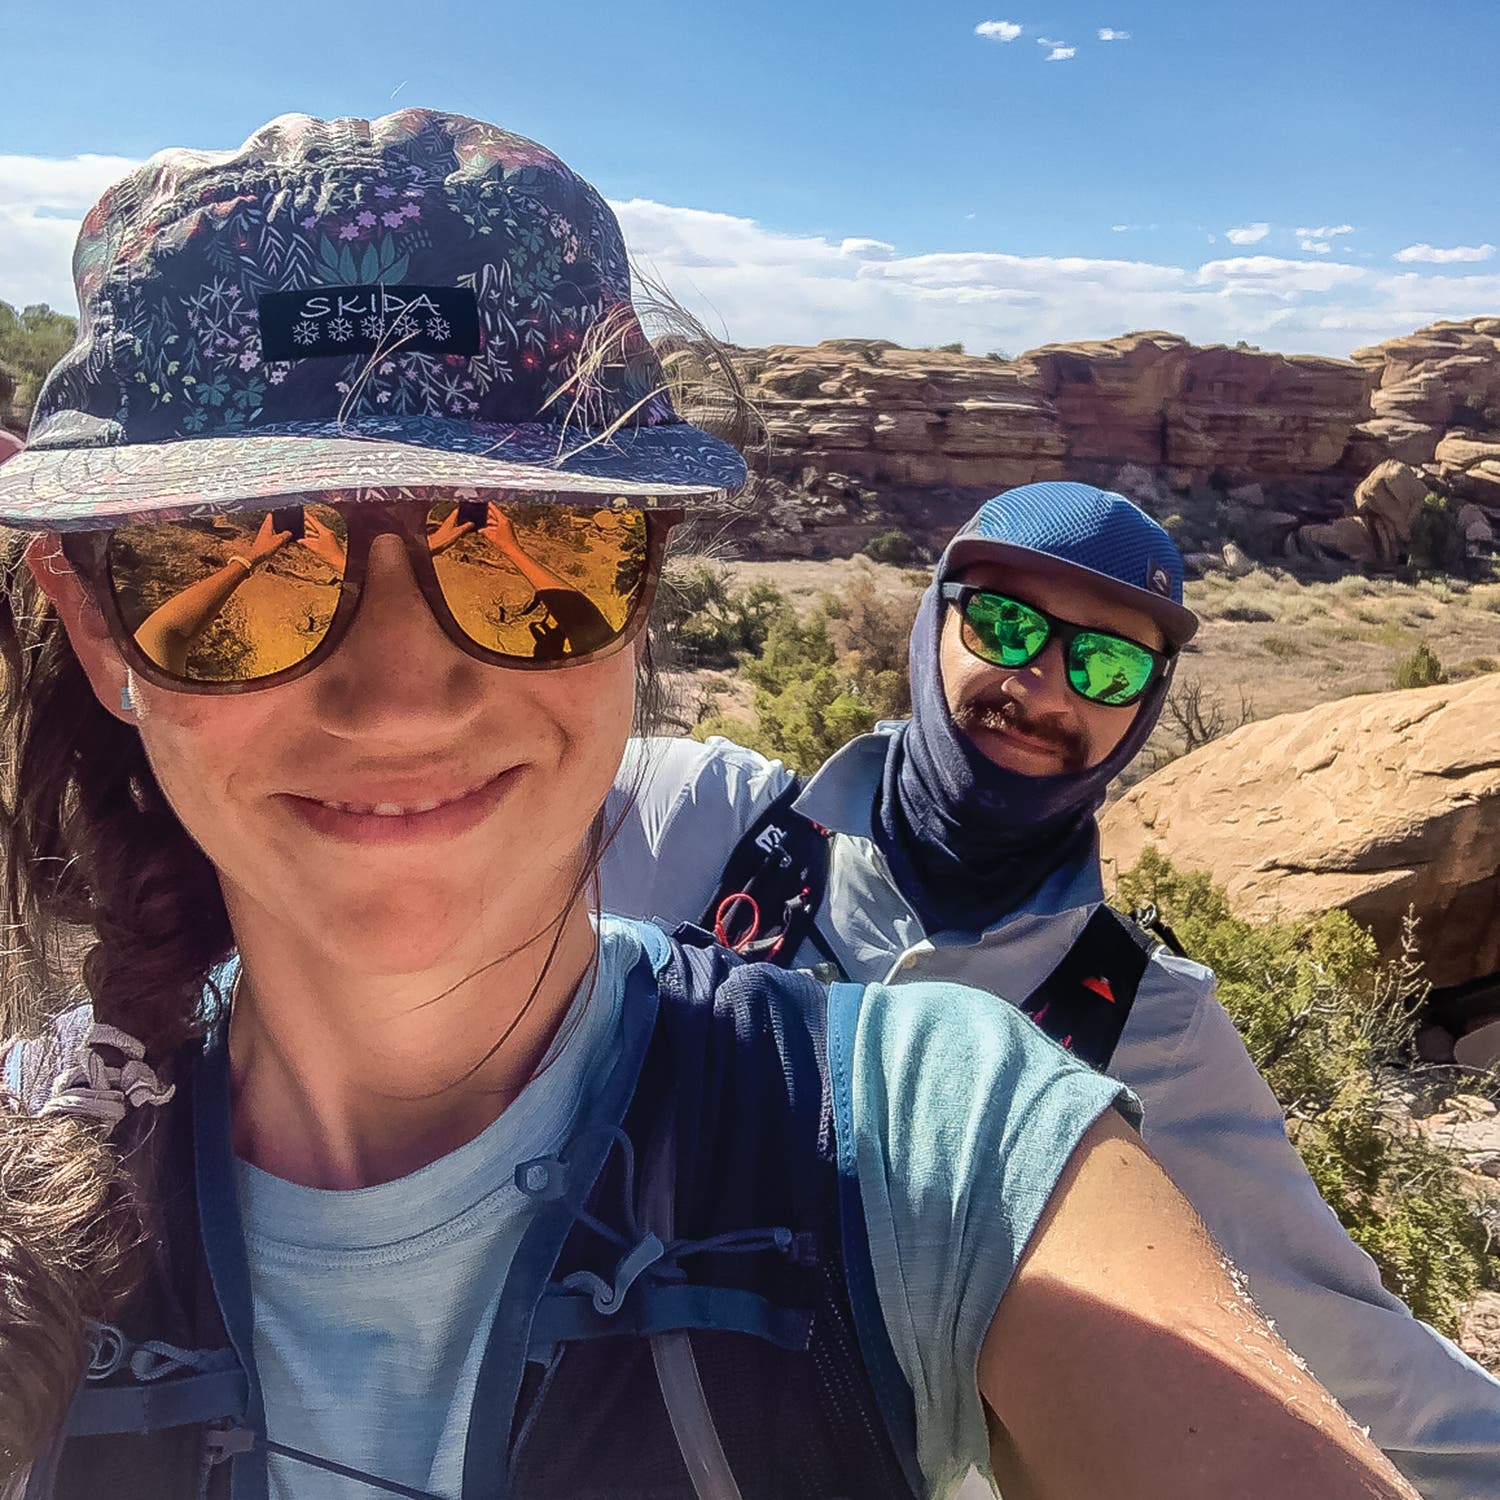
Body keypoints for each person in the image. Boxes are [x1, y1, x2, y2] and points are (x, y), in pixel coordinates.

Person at [0, 111, 1421, 1500]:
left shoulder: (937, 1139)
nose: (400, 702)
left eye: (528, 544)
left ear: (646, 585)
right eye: (242, 561)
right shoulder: (31, 1165)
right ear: (96, 622)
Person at [600, 481, 1500, 1499]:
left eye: (1108, 665)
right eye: (1006, 624)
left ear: (1145, 704)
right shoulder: (692, 820)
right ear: (934, 623)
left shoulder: (1144, 1022)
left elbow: (1356, 1357)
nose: (1044, 689)